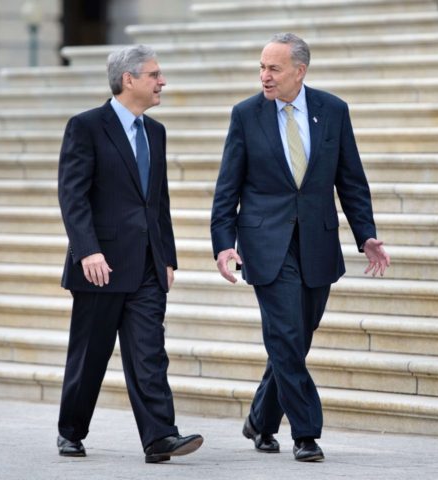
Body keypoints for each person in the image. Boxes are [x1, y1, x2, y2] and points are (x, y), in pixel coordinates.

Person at [210, 33, 390, 462]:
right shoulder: (246, 114)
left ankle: (260, 419)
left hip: (317, 243)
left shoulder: (332, 110)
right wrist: (223, 243)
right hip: (265, 243)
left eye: (273, 68)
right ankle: (306, 432)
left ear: (299, 71)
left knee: (296, 338)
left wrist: (365, 234)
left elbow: (351, 179)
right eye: (261, 67)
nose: (264, 76)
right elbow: (227, 187)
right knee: (287, 335)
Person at [56, 45, 203, 463]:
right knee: (90, 355)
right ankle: (71, 430)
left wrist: (168, 256)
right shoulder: (85, 127)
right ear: (129, 80)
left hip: (147, 266)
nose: (162, 82)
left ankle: (160, 437)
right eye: (155, 74)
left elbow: (159, 202)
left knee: (149, 352)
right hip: (100, 266)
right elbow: (73, 196)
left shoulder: (155, 131)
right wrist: (87, 251)